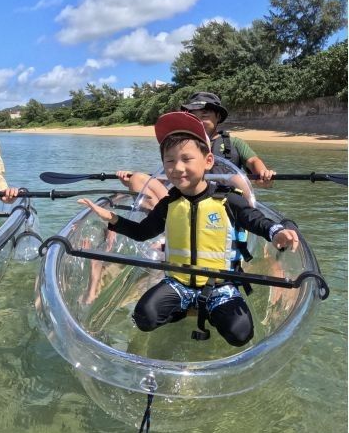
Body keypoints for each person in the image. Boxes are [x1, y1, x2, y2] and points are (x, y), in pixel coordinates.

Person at [79, 112, 299, 347]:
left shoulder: (228, 200)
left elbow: (254, 220)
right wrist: (112, 219)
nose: (177, 168)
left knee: (240, 335)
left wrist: (276, 232)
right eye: (170, 161)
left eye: (186, 159)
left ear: (208, 161)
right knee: (144, 318)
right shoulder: (169, 203)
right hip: (179, 283)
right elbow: (143, 232)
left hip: (220, 285)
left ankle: (212, 310)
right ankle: (185, 309)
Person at [181, 91, 275, 187]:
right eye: (194, 117)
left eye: (204, 116)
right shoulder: (181, 145)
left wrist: (263, 173)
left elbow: (253, 161)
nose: (199, 121)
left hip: (225, 198)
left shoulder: (235, 143)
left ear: (218, 116)